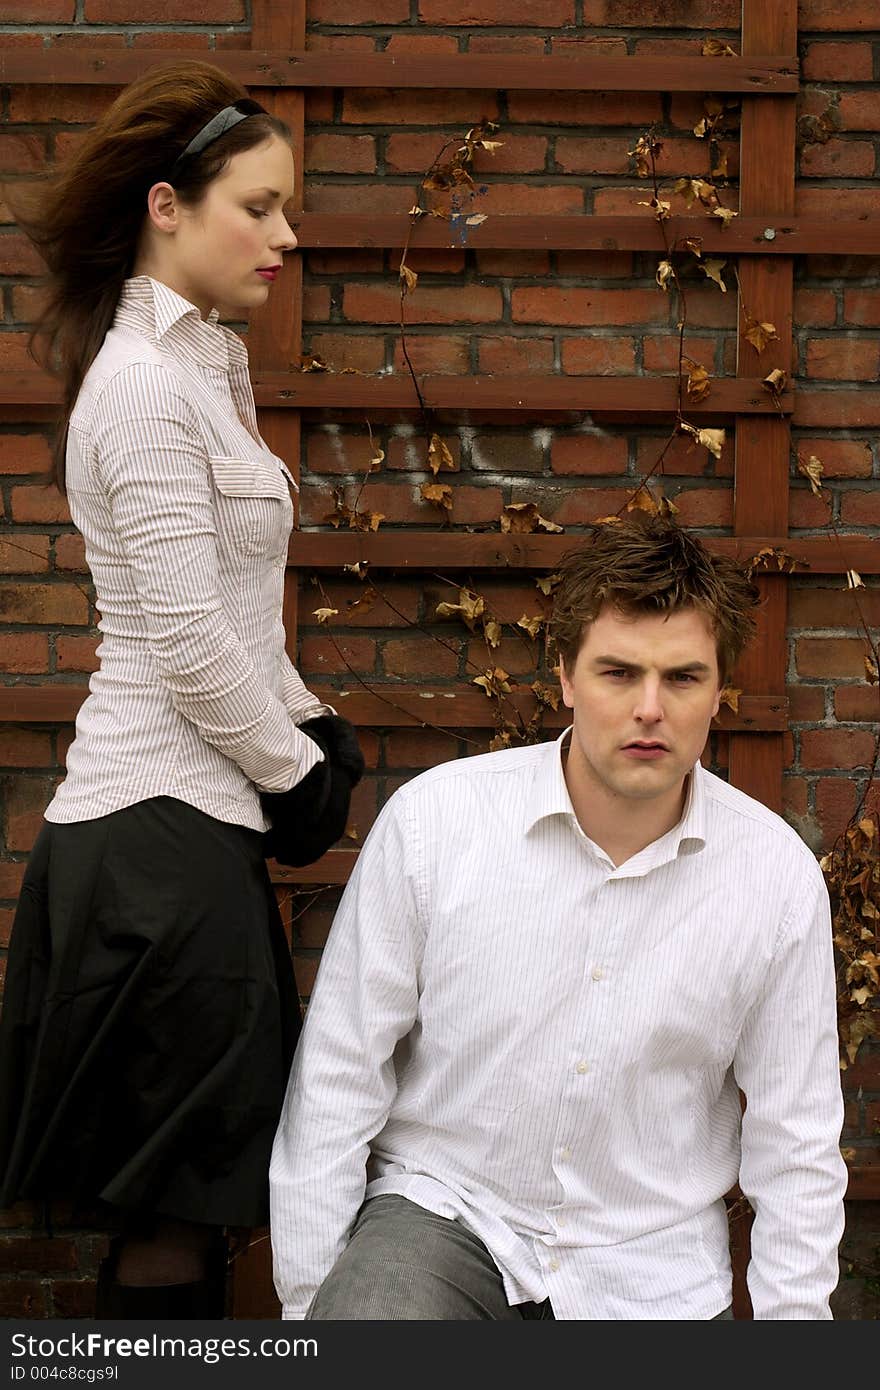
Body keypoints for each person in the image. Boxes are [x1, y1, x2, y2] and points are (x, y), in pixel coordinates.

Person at [270, 515, 848, 1321]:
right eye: (619, 673)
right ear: (567, 678)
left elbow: (797, 1139)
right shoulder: (438, 824)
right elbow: (338, 1072)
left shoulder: (774, 877)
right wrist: (314, 1308)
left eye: (682, 678)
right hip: (446, 1219)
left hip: (652, 1266)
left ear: (719, 690)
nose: (650, 708)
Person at [0, 60, 361, 1320]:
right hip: (151, 842)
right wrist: (294, 769)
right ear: (169, 205)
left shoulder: (205, 363)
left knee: (191, 1214)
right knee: (174, 1220)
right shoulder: (144, 387)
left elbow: (235, 612)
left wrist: (308, 717)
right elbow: (186, 640)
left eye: (286, 208)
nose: (285, 234)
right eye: (257, 206)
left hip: (191, 831)